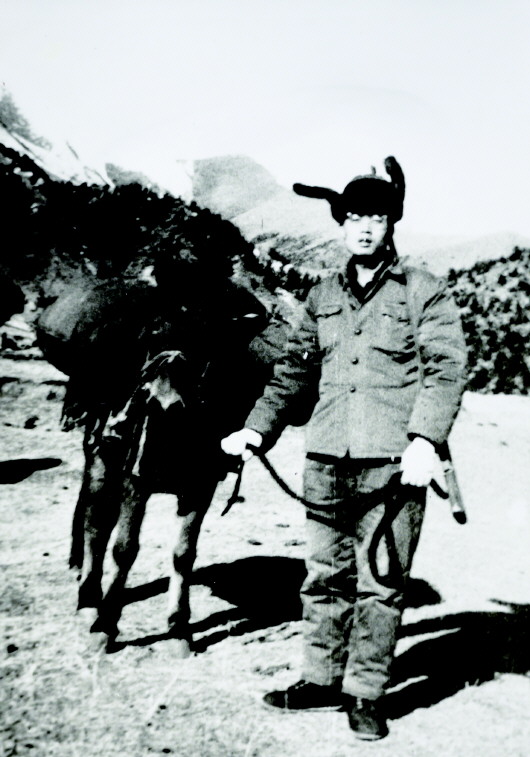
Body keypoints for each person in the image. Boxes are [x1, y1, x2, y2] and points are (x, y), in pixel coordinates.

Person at [221, 157, 467, 741]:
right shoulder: (322, 294)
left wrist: (425, 440)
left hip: (393, 468)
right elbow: (293, 372)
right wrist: (256, 428)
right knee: (323, 576)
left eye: (375, 218)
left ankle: (365, 693)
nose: (363, 228)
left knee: (381, 583)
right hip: (326, 460)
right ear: (342, 224)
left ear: (391, 224)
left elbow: (446, 369)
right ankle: (321, 679)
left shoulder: (423, 291)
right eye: (354, 217)